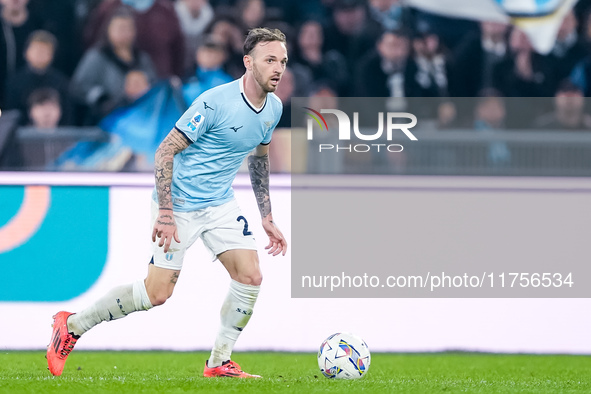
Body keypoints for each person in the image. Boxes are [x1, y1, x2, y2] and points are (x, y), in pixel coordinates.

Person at [47, 27, 288, 379]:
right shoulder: (213, 103)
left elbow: (259, 159)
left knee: (250, 276)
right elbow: (165, 149)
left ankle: (219, 362)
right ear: (248, 62)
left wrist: (266, 215)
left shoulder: (274, 108)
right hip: (178, 203)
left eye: (282, 61)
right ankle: (71, 326)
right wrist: (165, 212)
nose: (278, 68)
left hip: (219, 204)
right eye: (270, 60)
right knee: (156, 293)